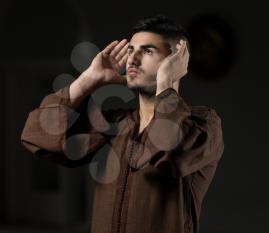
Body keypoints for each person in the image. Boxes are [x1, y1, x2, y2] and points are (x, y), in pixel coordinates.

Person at [21, 14, 224, 233]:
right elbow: (38, 134)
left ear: (176, 59)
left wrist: (166, 82)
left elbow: (169, 151)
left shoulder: (202, 124)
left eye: (147, 51)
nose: (132, 60)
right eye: (130, 50)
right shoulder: (115, 124)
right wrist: (90, 78)